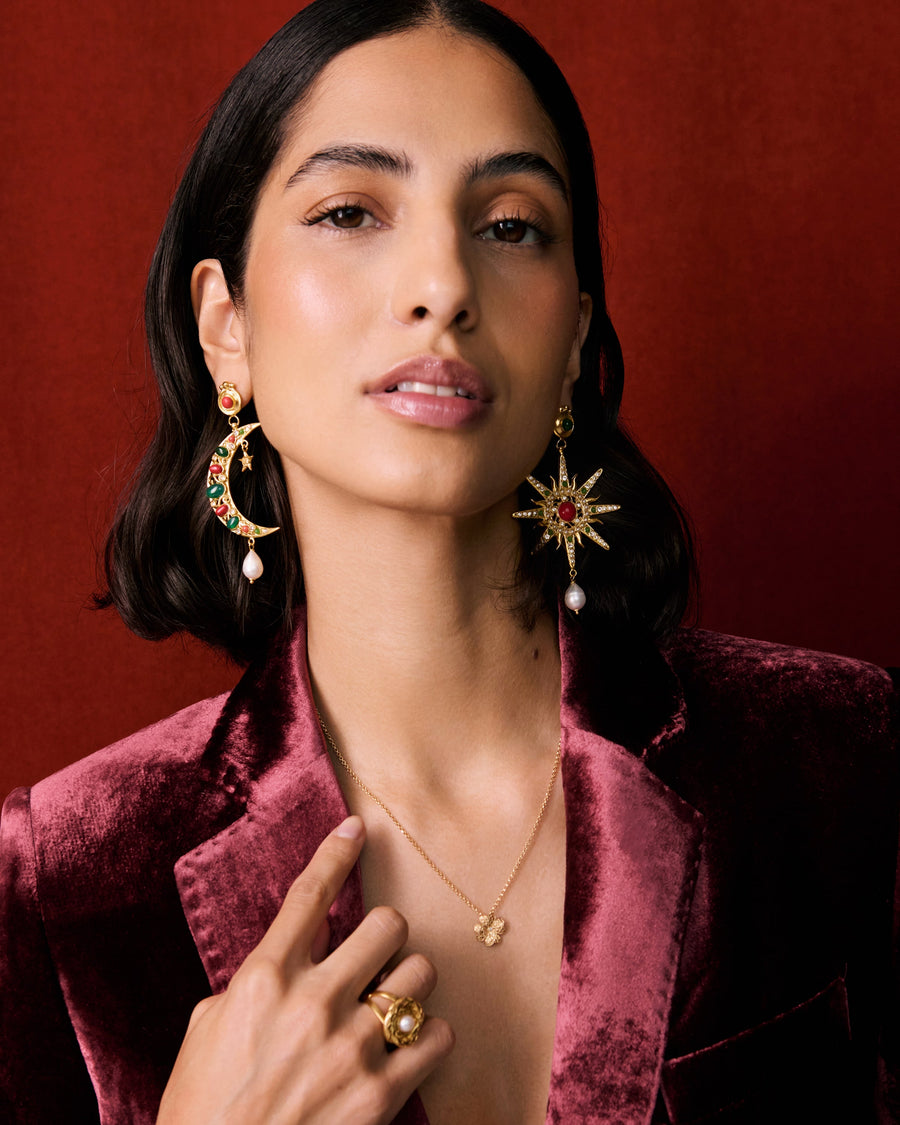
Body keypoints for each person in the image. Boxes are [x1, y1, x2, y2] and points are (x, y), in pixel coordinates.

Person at [0, 0, 896, 1122]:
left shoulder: (844, 762)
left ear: (573, 336)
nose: (443, 284)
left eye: (511, 224)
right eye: (349, 211)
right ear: (225, 326)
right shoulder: (66, 887)